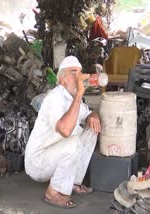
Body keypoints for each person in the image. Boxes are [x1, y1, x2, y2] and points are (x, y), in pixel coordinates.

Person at [24, 56, 101, 208]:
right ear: (62, 80)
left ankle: (73, 182)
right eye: (73, 72)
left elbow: (88, 114)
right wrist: (79, 93)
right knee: (74, 143)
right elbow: (65, 130)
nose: (78, 77)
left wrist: (94, 116)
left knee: (91, 129)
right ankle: (53, 192)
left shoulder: (71, 97)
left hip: (54, 154)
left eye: (80, 73)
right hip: (38, 162)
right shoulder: (55, 98)